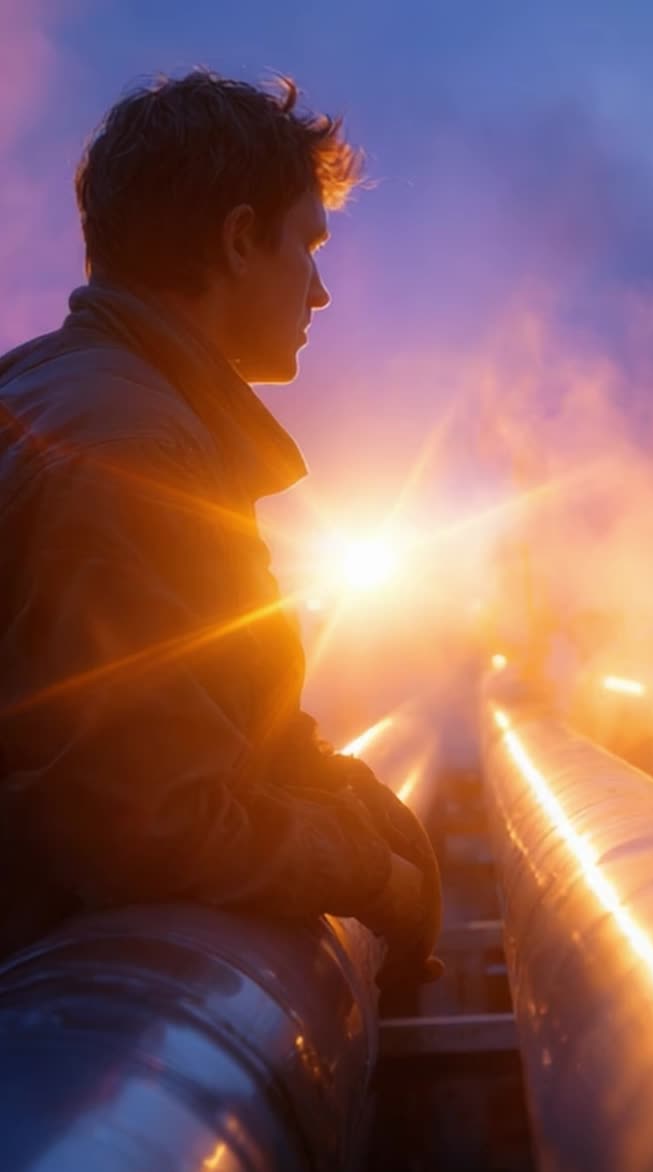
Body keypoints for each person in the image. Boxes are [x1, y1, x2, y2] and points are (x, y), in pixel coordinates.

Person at [0, 70, 442, 981]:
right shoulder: (137, 452)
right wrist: (378, 880)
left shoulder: (55, 392)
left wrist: (333, 784)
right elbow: (149, 820)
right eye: (307, 246)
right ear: (241, 240)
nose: (318, 294)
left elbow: (189, 701)